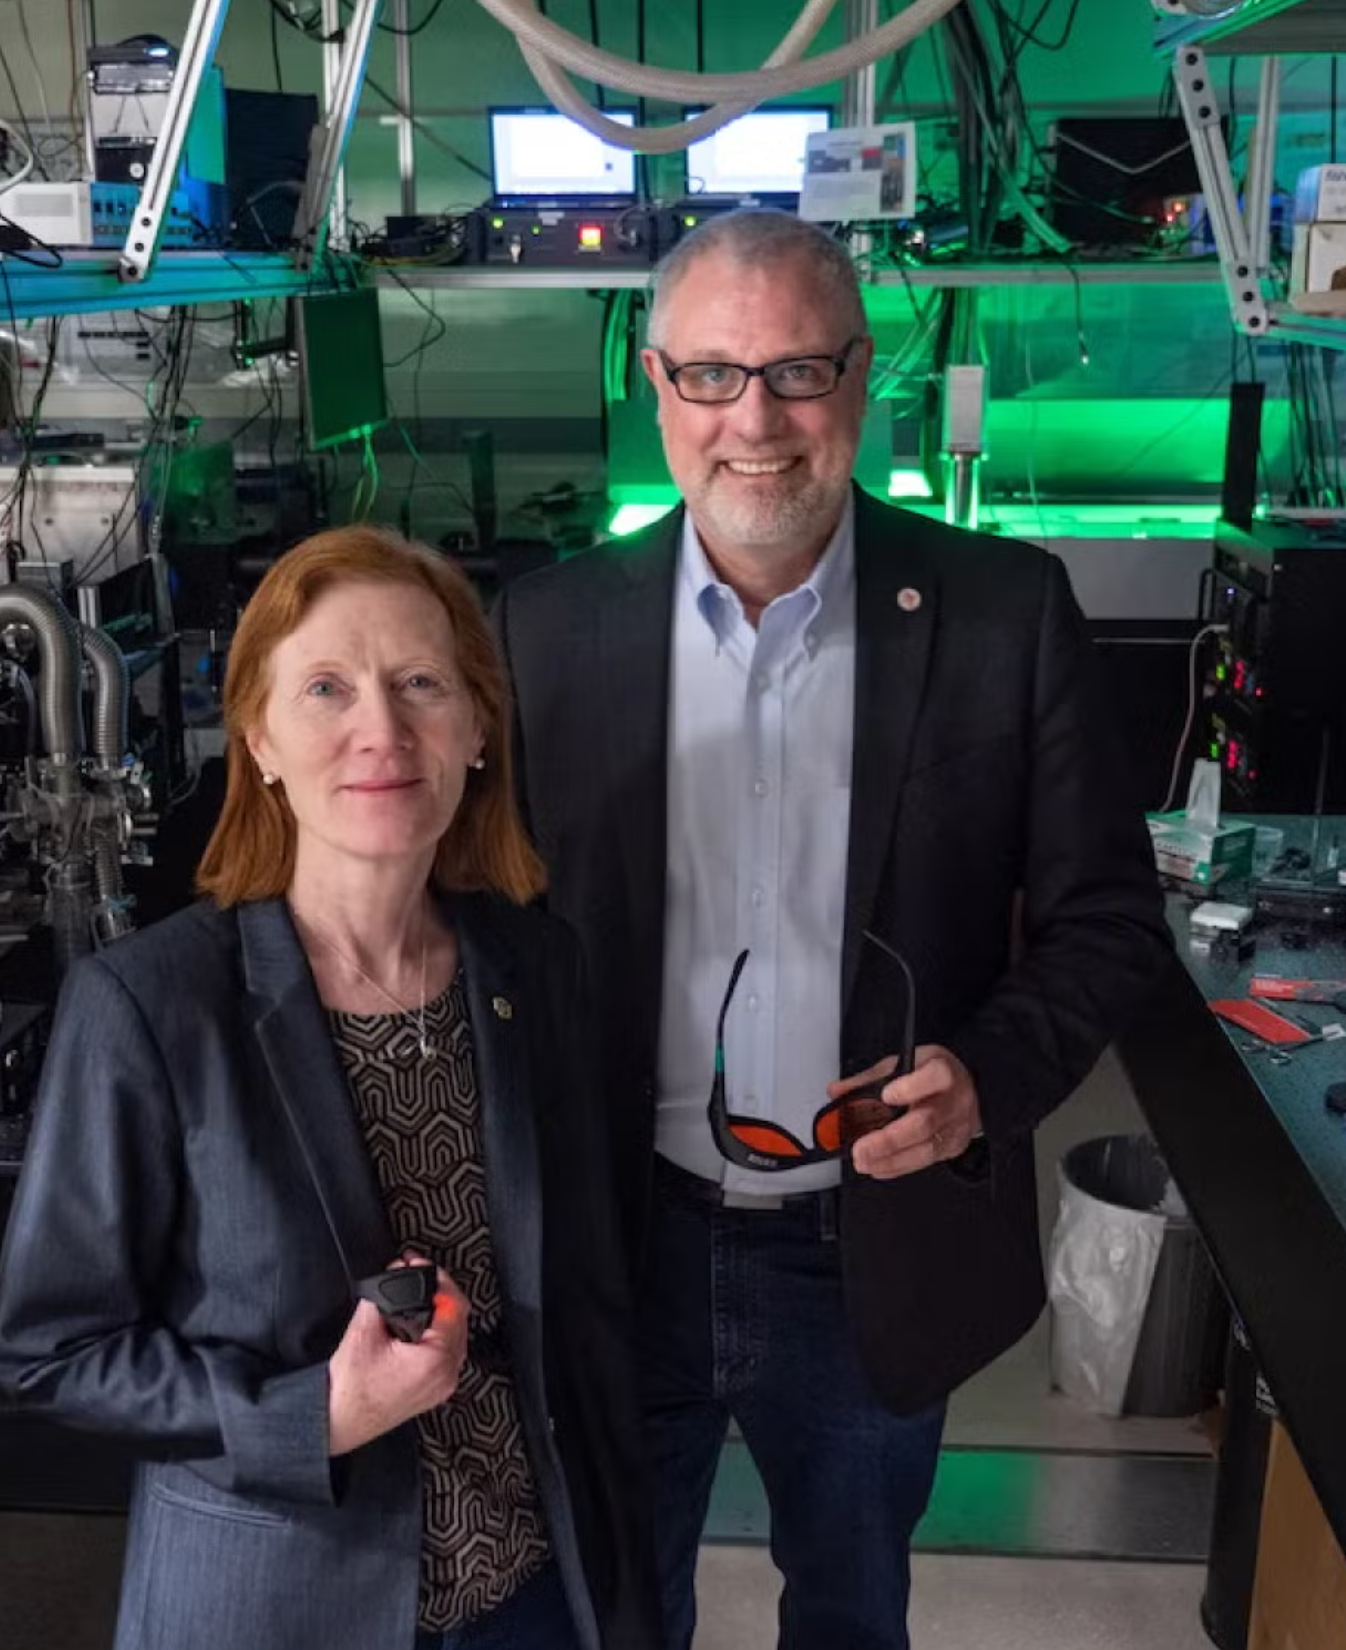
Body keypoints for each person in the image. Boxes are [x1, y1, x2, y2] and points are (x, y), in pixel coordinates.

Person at [492, 211, 1171, 1650]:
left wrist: (988, 1071)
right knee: (613, 1611)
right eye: (713, 376)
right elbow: (481, 931)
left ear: (867, 379)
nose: (756, 420)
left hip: (874, 1239)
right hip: (623, 1235)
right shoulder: (543, 632)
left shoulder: (1002, 612)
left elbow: (1108, 917)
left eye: (799, 372)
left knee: (856, 1611)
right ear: (654, 384)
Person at [0, 527, 658, 1650]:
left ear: (479, 726)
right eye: (326, 688)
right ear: (257, 737)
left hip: (532, 1585)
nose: (380, 732)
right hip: (277, 1600)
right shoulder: (151, 1007)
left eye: (419, 684)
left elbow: (584, 1297)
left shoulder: (538, 968)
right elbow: (51, 1348)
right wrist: (311, 1418)